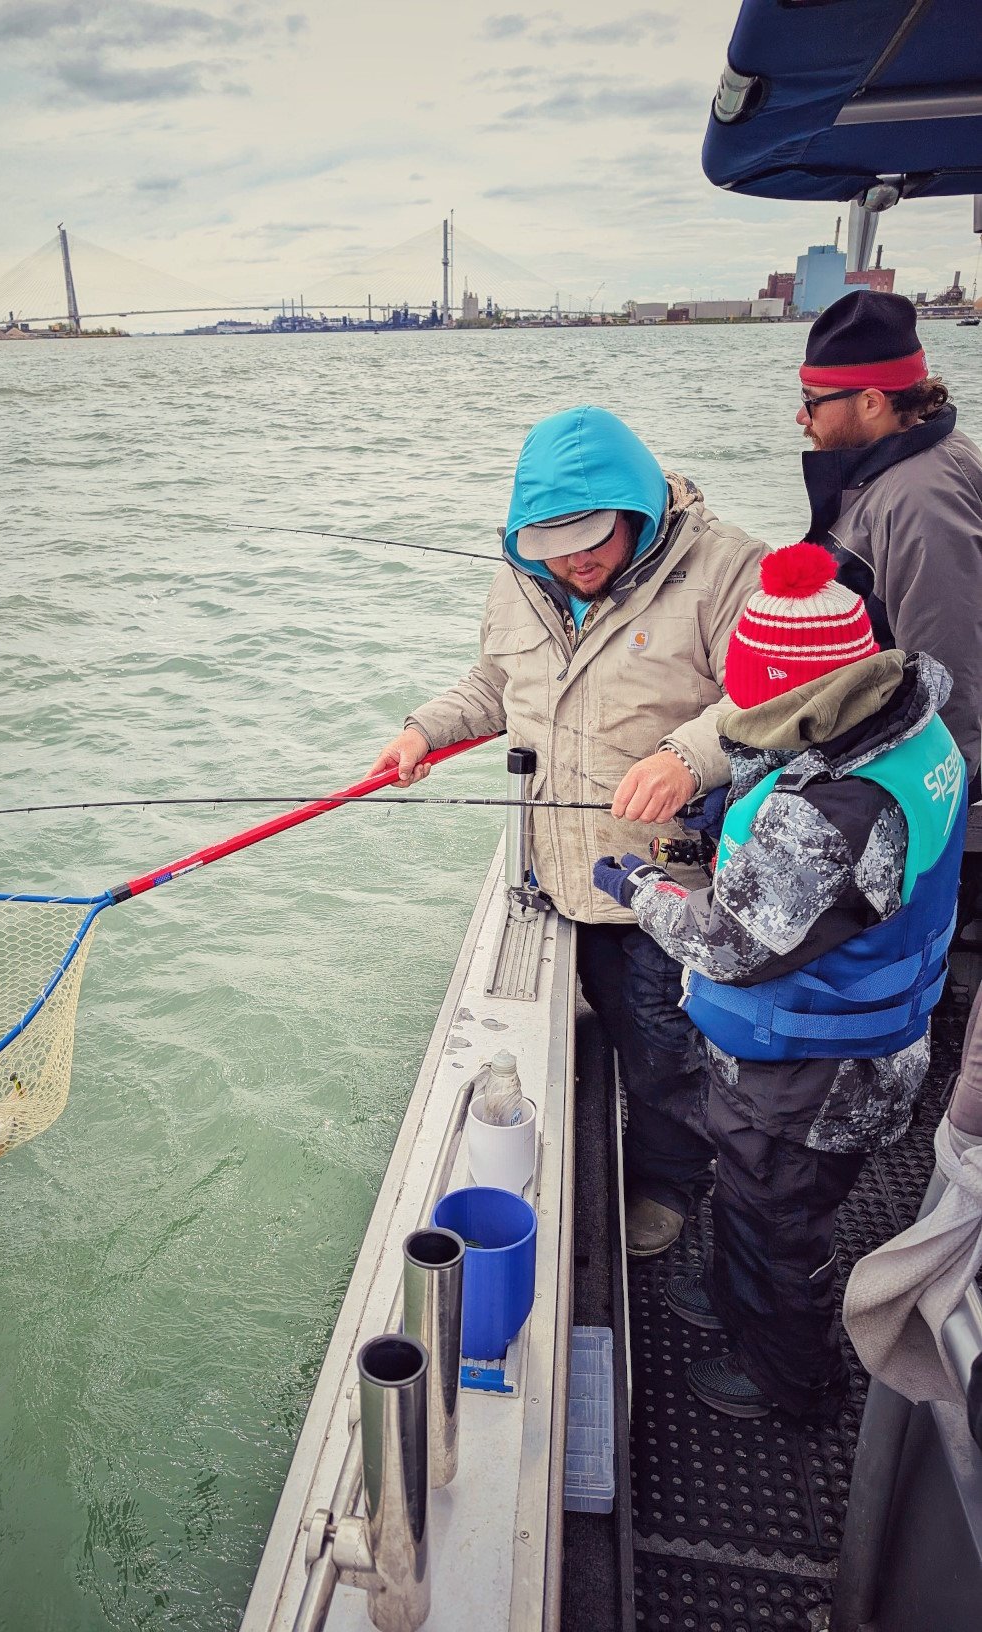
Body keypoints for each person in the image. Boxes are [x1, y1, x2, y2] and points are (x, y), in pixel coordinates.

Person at [370, 405, 766, 1256]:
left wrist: (686, 756)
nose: (576, 560)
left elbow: (774, 696)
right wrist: (423, 731)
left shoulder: (731, 567)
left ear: (640, 512)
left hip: (670, 883)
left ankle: (669, 1183)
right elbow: (493, 683)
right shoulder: (522, 576)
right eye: (553, 543)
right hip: (555, 873)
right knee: (611, 1029)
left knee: (666, 1053)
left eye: (592, 538)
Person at [593, 543, 967, 1419]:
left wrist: (639, 885)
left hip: (812, 1071)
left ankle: (789, 1380)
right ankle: (734, 1298)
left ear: (803, 698)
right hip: (864, 1043)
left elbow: (726, 944)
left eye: (752, 703)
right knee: (757, 1191)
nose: (739, 719)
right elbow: (844, 871)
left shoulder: (823, 815)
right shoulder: (913, 726)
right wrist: (726, 819)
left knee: (779, 1222)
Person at [797, 288, 982, 784]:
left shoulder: (923, 504)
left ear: (872, 402)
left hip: (913, 776)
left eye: (811, 403)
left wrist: (930, 797)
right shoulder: (907, 462)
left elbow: (948, 679)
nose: (801, 418)